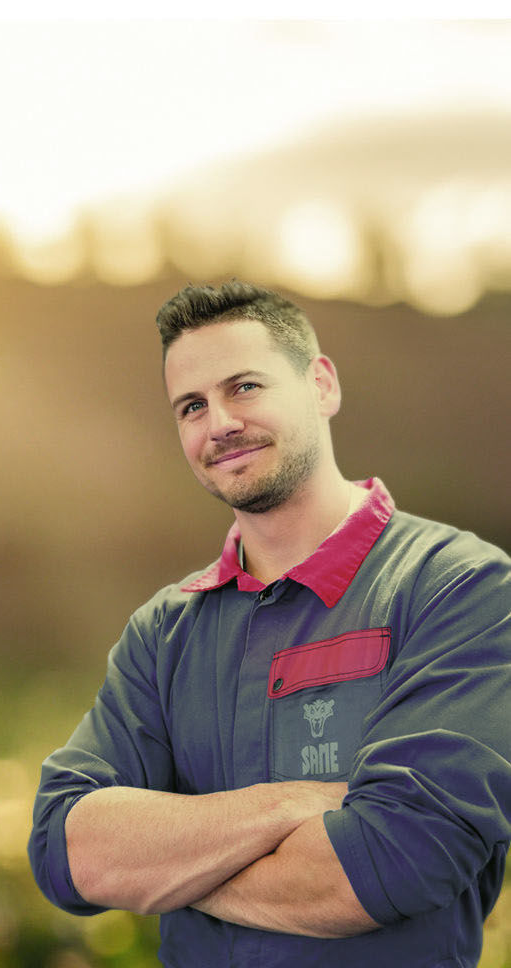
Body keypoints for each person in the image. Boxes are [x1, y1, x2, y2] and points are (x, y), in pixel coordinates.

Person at [28, 281, 511, 966]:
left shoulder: (456, 586)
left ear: (320, 386)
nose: (218, 422)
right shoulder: (161, 634)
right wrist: (289, 808)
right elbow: (62, 847)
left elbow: (395, 860)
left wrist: (163, 870)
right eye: (190, 406)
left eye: (244, 387)